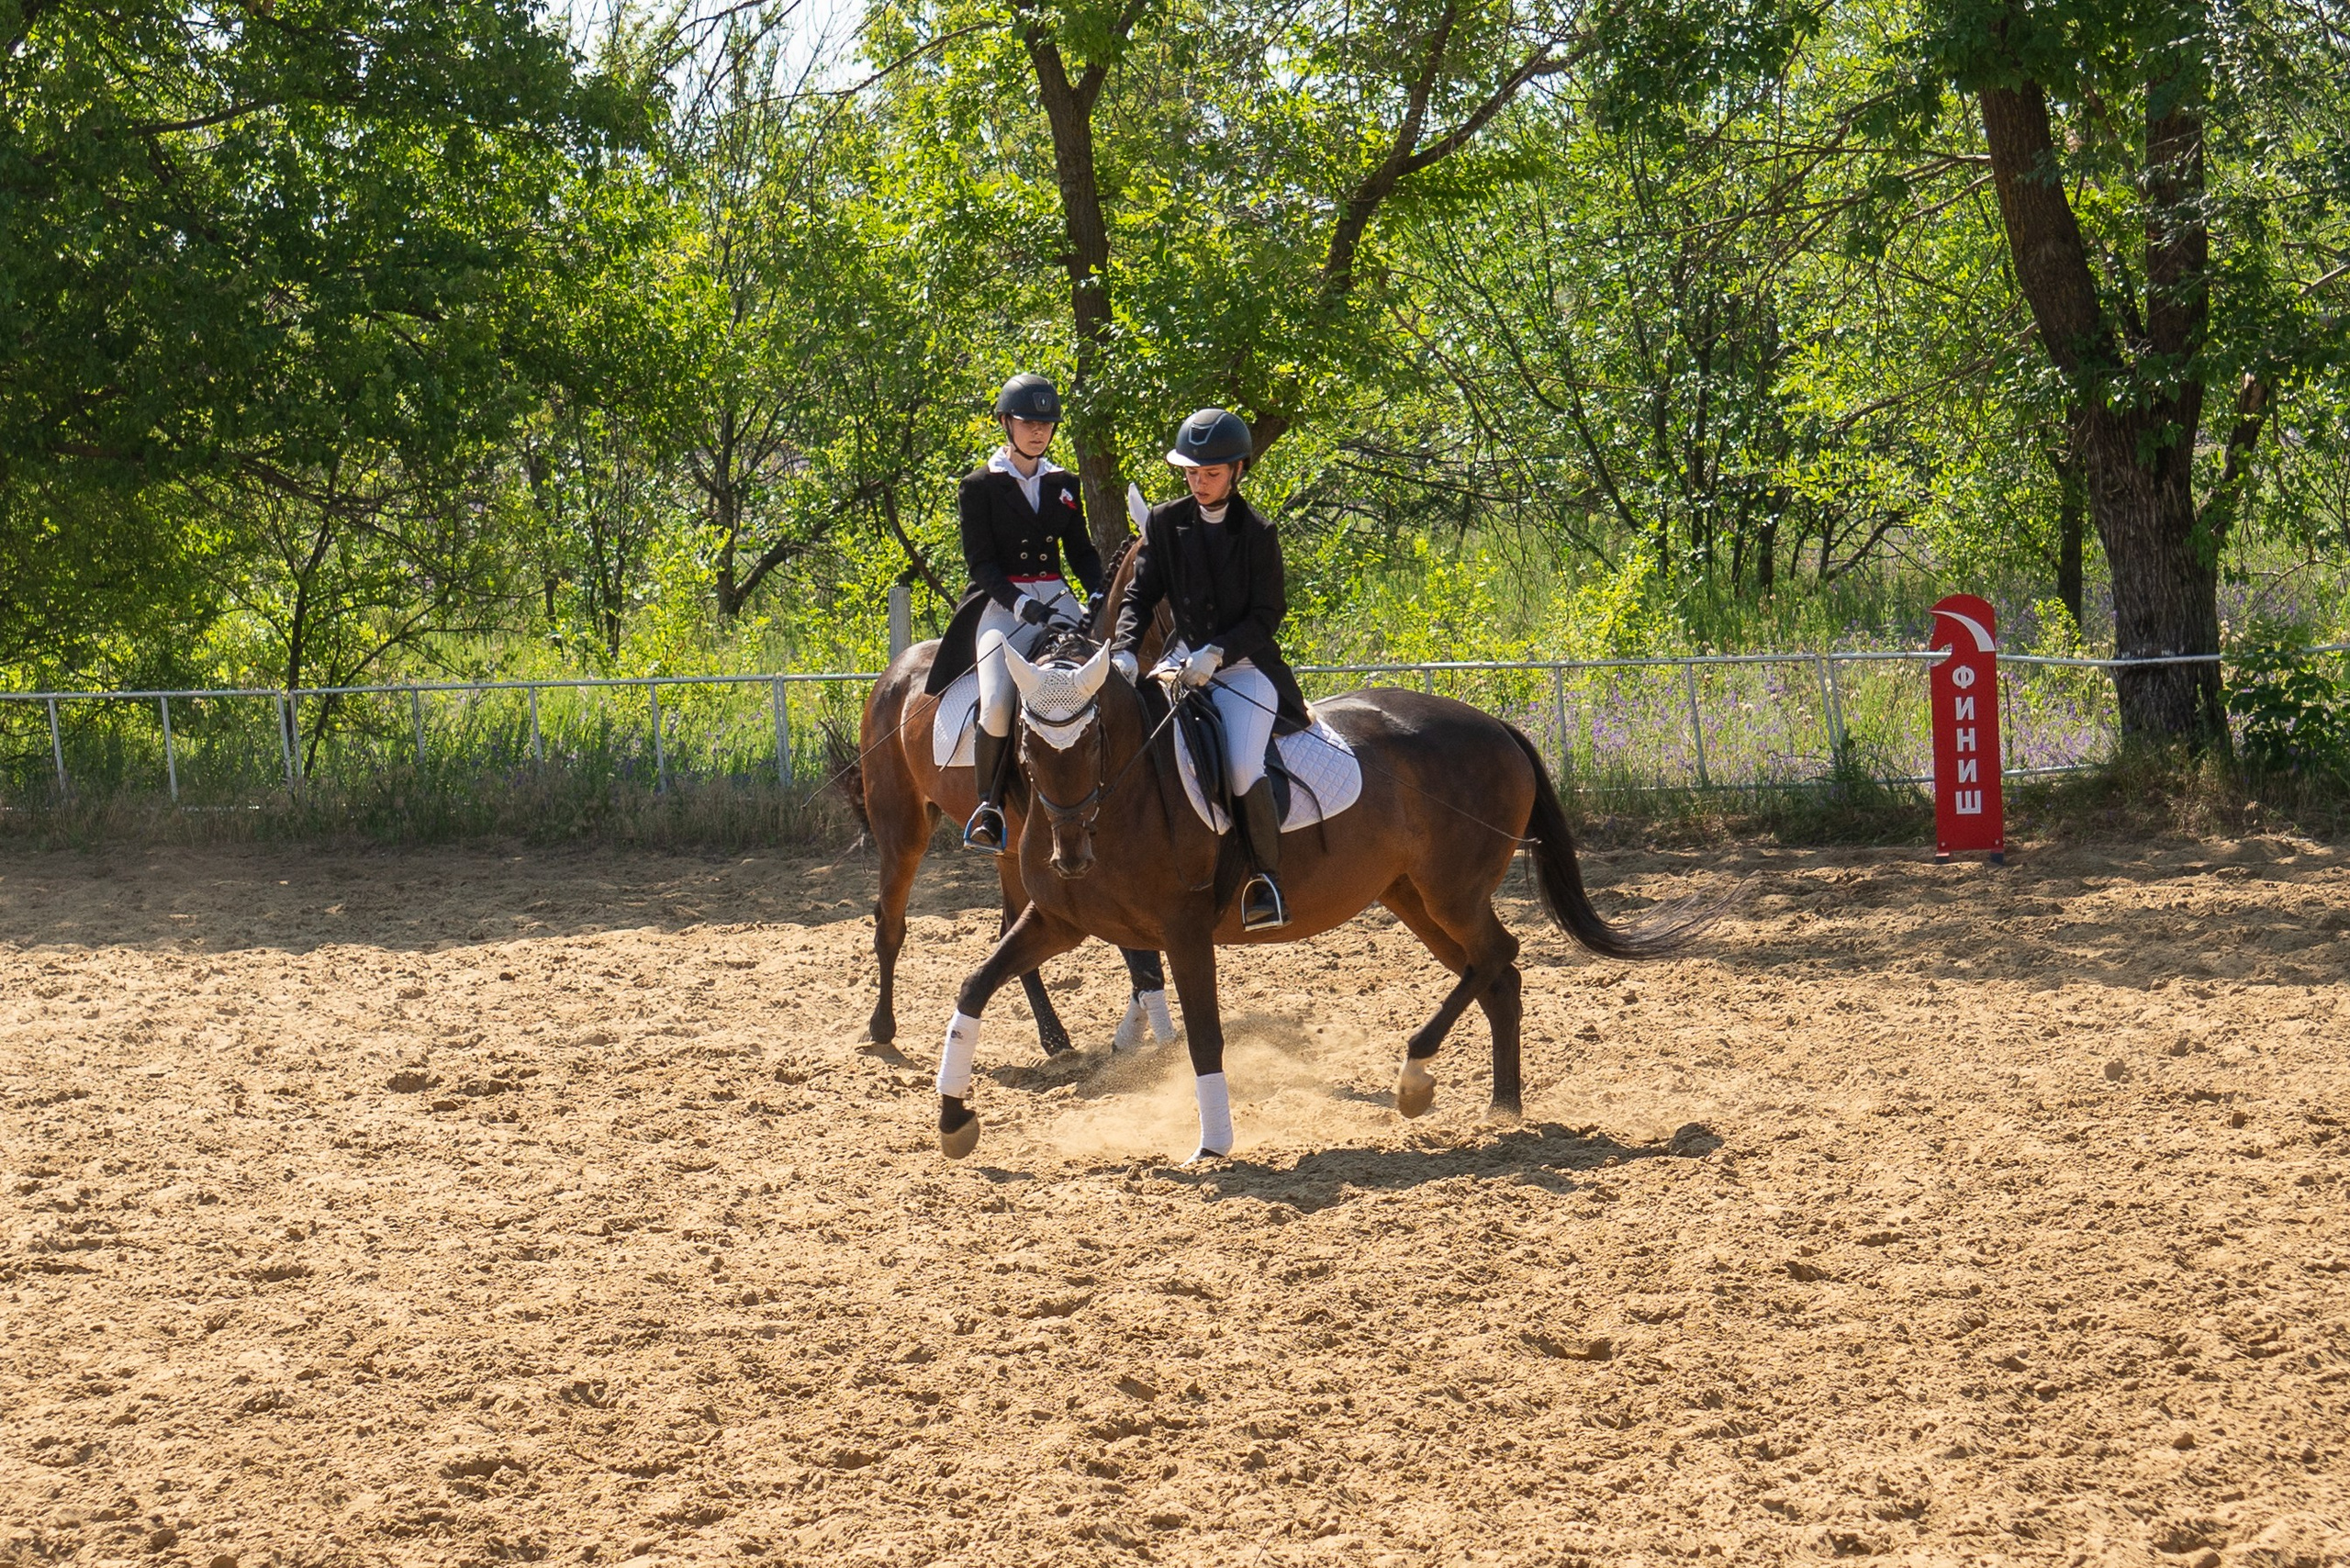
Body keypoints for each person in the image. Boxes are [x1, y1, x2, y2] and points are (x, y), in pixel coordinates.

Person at [1110, 408, 1311, 932]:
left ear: (1238, 470)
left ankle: (1266, 880)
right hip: (1180, 663)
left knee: (1243, 766)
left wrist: (1219, 651)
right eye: (1192, 473)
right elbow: (1140, 595)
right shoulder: (1164, 522)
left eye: (1212, 473)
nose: (1200, 483)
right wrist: (1127, 649)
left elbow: (1268, 615)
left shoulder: (1258, 533)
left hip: (1244, 670)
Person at [924, 372, 1105, 852]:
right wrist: (1021, 603)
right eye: (1028, 422)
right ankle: (990, 808)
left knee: (1107, 682)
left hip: (1057, 599)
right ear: (1006, 422)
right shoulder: (979, 485)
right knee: (1000, 700)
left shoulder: (1064, 483)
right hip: (1002, 606)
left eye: (1046, 424)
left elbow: (1082, 551)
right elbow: (980, 564)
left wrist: (1097, 591)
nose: (1038, 431)